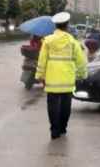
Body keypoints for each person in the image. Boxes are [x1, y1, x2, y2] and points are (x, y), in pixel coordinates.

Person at [35, 12, 87, 140]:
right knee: (66, 105)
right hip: (67, 80)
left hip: (52, 80)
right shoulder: (72, 42)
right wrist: (81, 75)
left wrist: (40, 75)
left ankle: (54, 130)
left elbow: (42, 60)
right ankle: (63, 128)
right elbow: (81, 61)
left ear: (55, 25)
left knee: (52, 106)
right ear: (67, 25)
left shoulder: (48, 41)